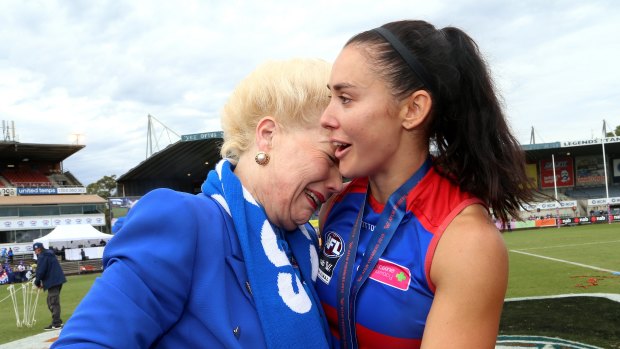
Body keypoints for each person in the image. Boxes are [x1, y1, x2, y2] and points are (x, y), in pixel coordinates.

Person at [52, 58, 341, 348]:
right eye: (330, 159)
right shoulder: (182, 221)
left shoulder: (304, 248)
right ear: (268, 135)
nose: (337, 184)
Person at [316, 20, 536, 348]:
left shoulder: (466, 243)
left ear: (413, 109)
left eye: (345, 99)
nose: (326, 116)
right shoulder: (336, 204)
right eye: (330, 98)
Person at [33, 242, 67, 330]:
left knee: (53, 302)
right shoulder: (49, 253)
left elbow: (41, 271)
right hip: (57, 280)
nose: (36, 252)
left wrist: (37, 282)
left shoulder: (42, 256)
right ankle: (57, 320)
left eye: (36, 250)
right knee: (50, 301)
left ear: (37, 250)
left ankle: (56, 323)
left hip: (53, 281)